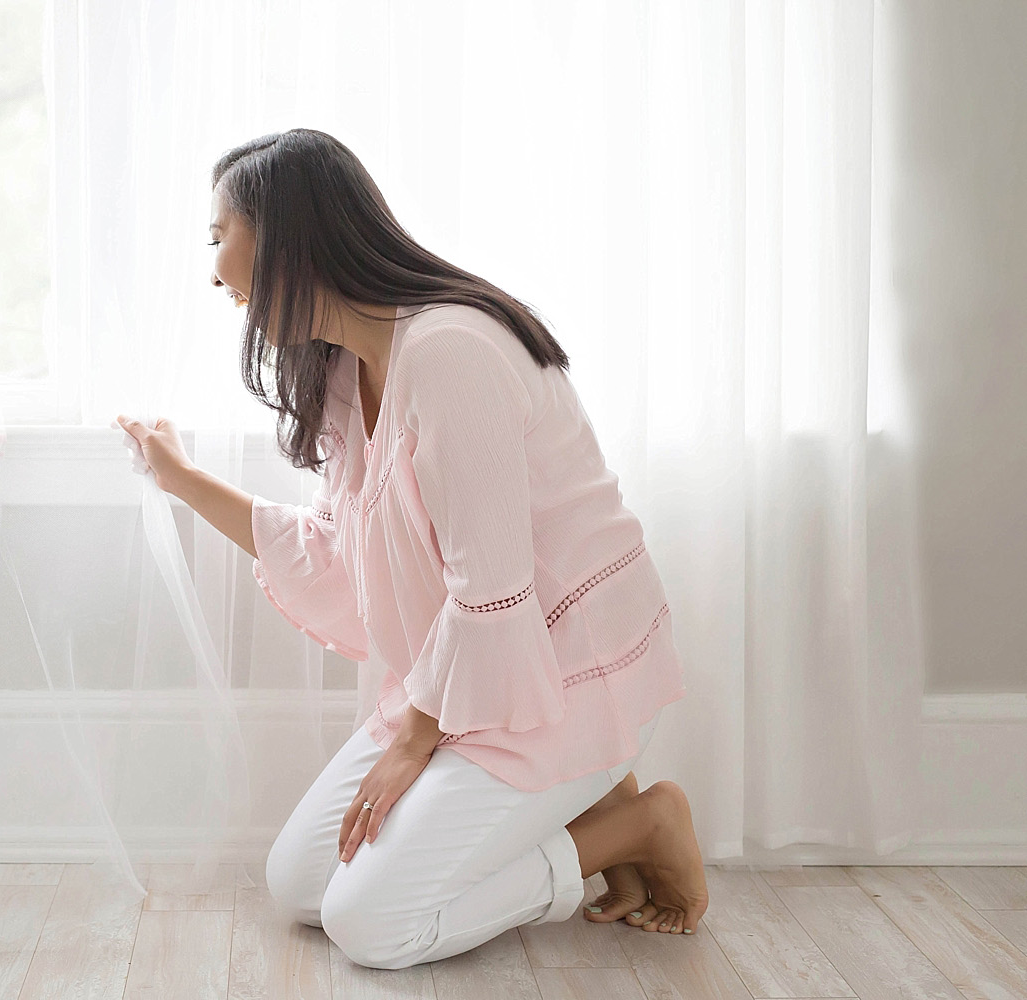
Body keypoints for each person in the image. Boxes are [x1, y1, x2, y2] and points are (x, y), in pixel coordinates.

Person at [117, 129, 707, 971]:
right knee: (300, 890)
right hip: (470, 675)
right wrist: (180, 480)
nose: (214, 271)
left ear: (287, 233)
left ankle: (634, 825)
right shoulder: (339, 367)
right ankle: (589, 797)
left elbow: (490, 589)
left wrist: (410, 745)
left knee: (373, 926)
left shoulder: (449, 354)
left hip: (567, 670)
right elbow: (334, 549)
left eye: (218, 236)